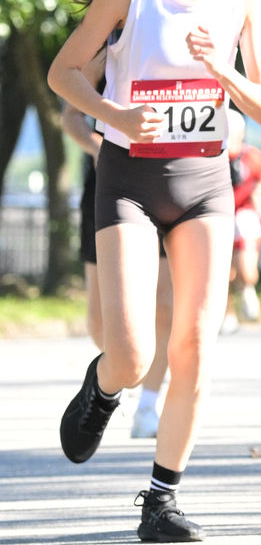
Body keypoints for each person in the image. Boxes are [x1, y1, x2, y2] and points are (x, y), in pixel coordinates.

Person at [46, 0, 261, 543]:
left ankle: (161, 499)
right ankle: (103, 388)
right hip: (130, 180)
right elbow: (64, 73)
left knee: (195, 347)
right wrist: (114, 115)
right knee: (131, 353)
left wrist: (221, 72)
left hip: (206, 182)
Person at [61, 51, 173, 439]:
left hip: (169, 179)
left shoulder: (191, 45)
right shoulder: (106, 48)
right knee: (100, 320)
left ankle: (149, 405)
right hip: (109, 184)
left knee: (165, 303)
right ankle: (116, 373)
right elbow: (71, 117)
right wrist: (99, 148)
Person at [222, 107, 261, 332]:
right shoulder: (212, 155)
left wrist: (257, 193)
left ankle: (247, 288)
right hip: (220, 216)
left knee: (246, 269)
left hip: (244, 215)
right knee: (224, 272)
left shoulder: (251, 156)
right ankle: (228, 314)